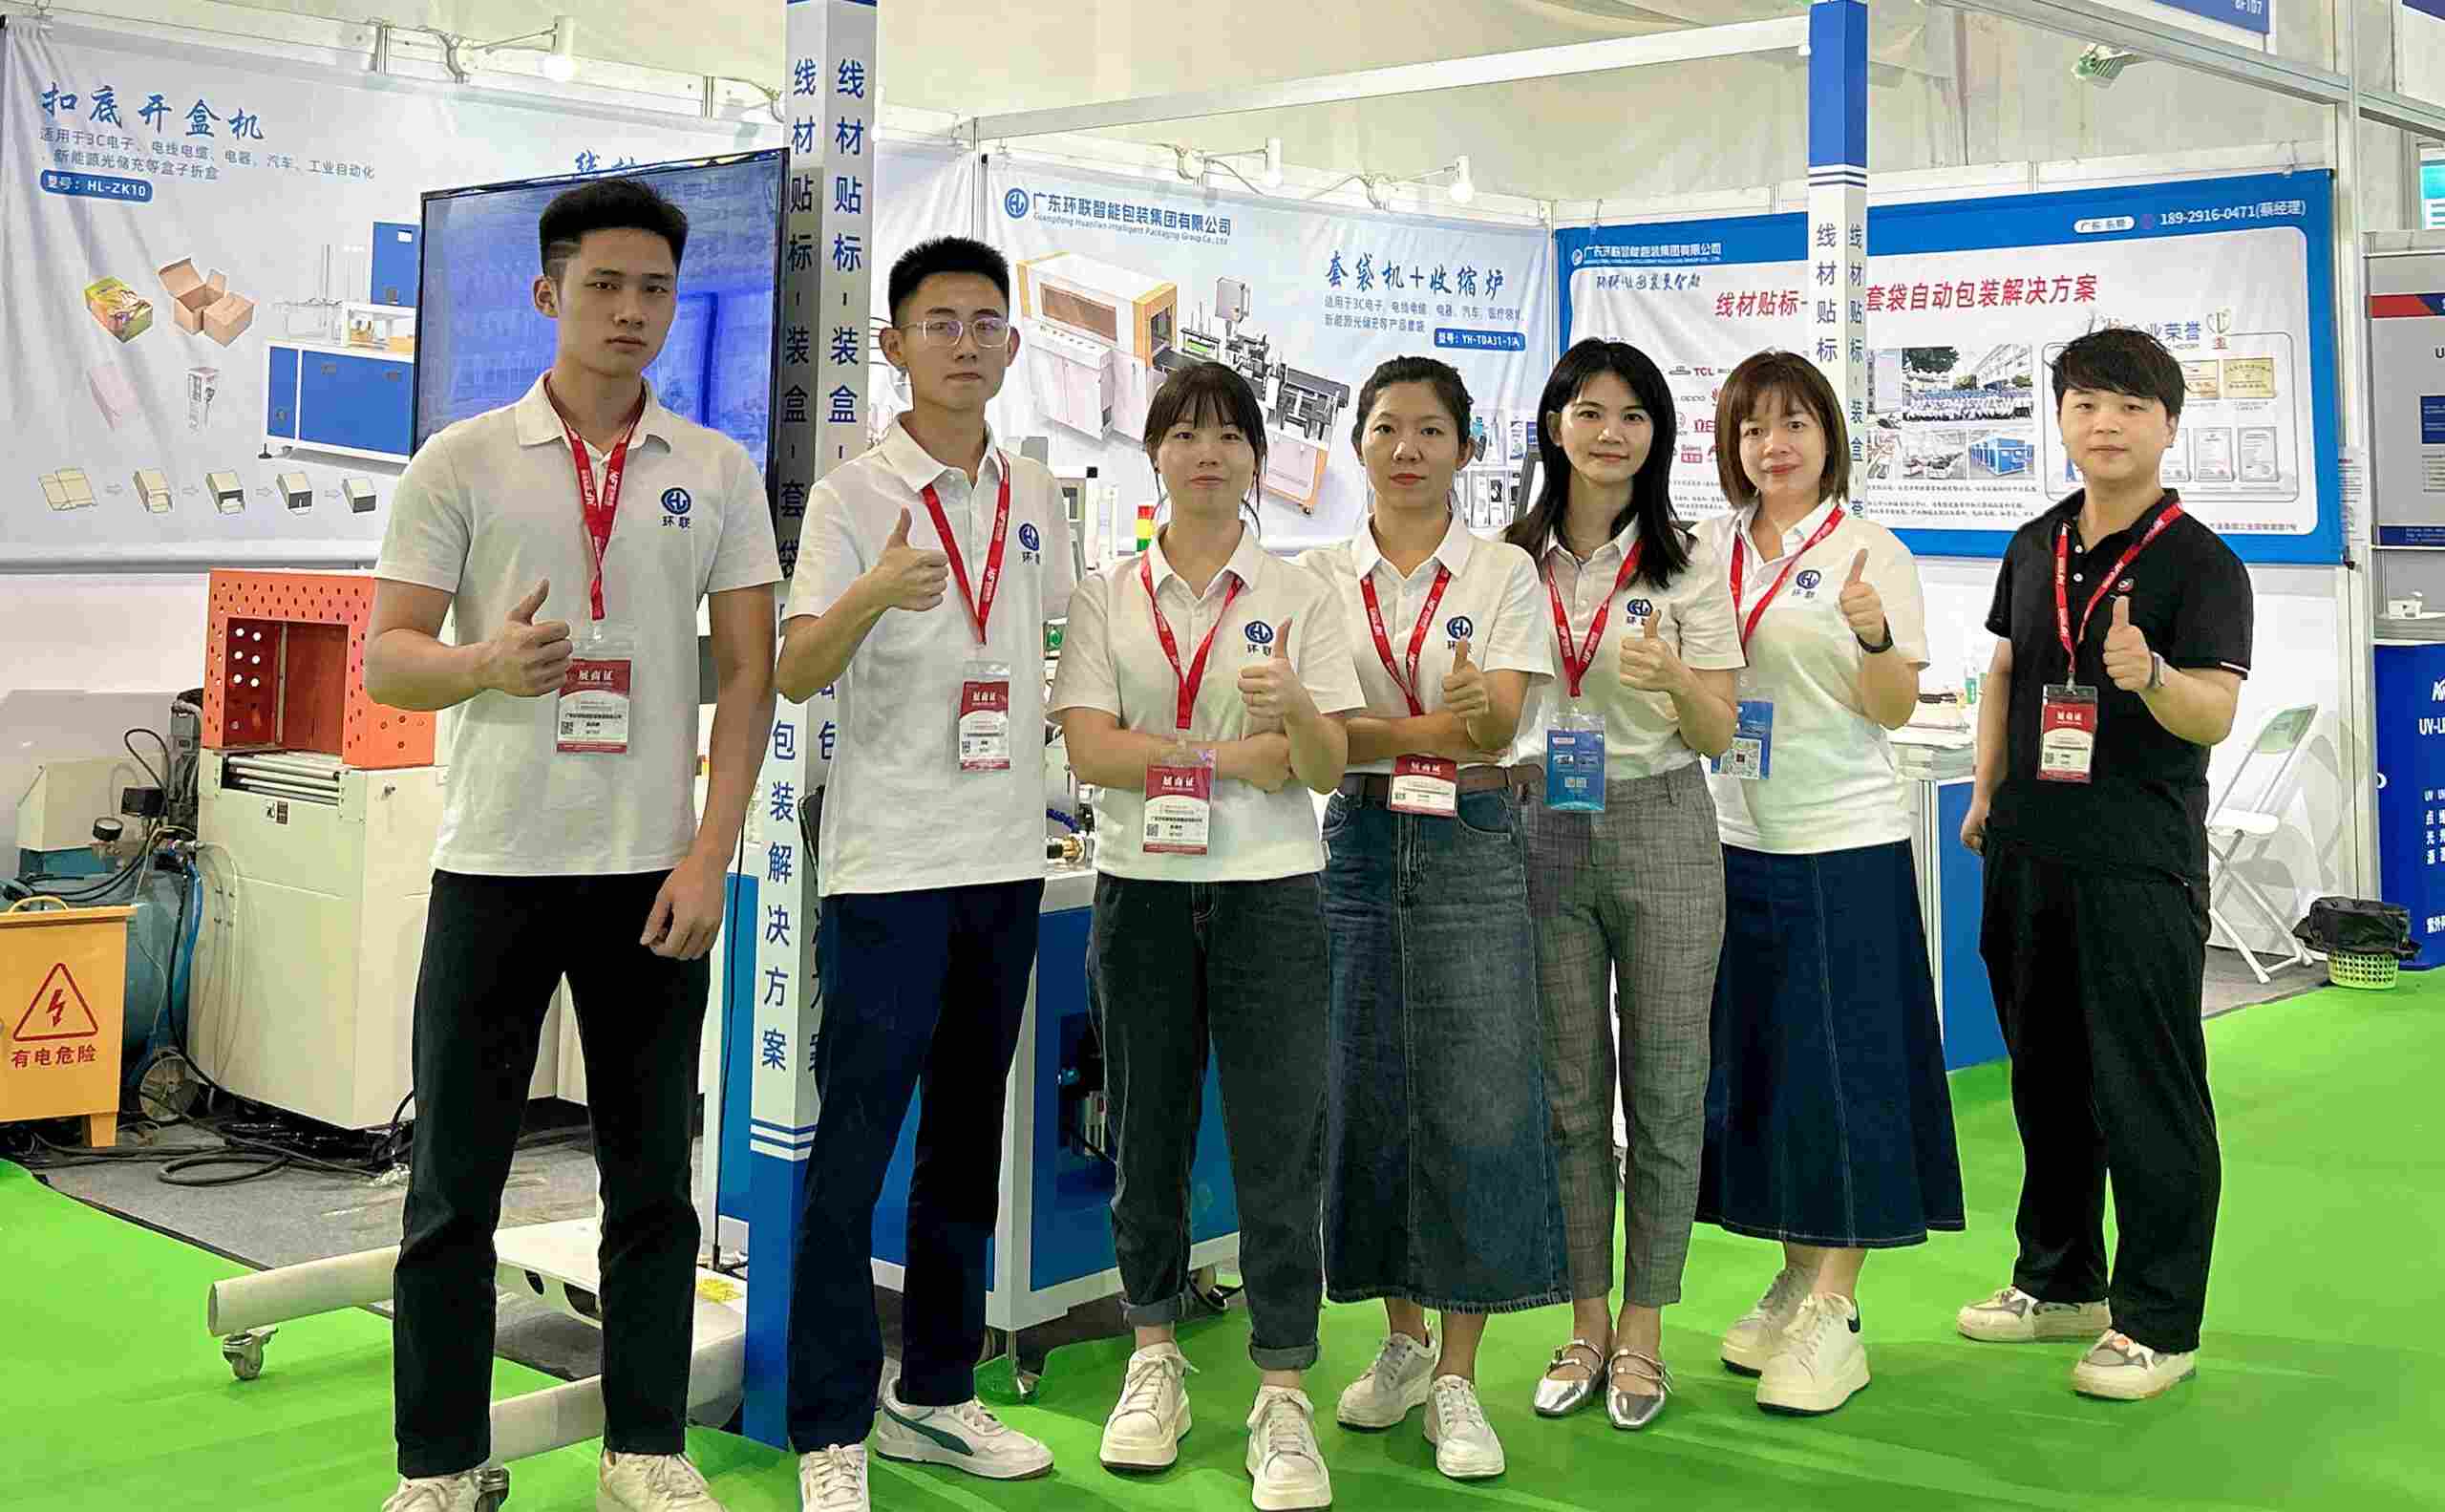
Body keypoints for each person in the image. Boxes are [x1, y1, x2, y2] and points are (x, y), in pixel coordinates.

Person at [367, 178, 779, 1512]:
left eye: (654, 289)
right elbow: (389, 659)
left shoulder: (714, 470)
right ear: (547, 294)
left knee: (653, 1179)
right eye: (603, 285)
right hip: (494, 865)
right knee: (454, 1185)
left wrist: (712, 851)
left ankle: (644, 1447)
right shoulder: (461, 460)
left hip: (652, 873)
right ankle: (438, 1460)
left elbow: (753, 676)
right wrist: (487, 660)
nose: (630, 312)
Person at [773, 237, 1075, 1512]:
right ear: (894, 345)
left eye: (985, 321)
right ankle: (831, 1421)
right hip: (889, 869)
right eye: (939, 321)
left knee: (966, 1138)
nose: (965, 340)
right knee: (853, 1149)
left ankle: (936, 1392)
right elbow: (794, 669)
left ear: (1011, 346)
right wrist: (875, 596)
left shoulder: (1039, 495)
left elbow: (1063, 650)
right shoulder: (855, 497)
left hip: (1006, 859)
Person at [1051, 361, 1364, 1511]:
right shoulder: (1108, 594)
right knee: (1146, 1130)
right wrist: (1236, 755)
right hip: (1138, 885)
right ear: (1154, 454)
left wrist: (1298, 721)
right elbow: (1090, 751)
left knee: (1281, 1143)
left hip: (1273, 888)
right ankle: (1153, 1356)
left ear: (1256, 457)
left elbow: (1324, 768)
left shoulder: (1300, 591)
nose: (1207, 454)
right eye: (1183, 435)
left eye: (1228, 435)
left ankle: (1284, 1390)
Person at [1957, 327, 2249, 1401]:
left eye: (2128, 405)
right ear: (2063, 420)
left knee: (2149, 1090)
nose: (2105, 424)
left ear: (2168, 423)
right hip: (2028, 849)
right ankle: (2060, 1277)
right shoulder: (2034, 543)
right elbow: (2002, 670)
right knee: (2047, 1079)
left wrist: (2152, 675)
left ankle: (2158, 1318)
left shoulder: (2201, 562)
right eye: (2084, 403)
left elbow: (2213, 711)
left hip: (2137, 860)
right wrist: (1986, 792)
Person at [1299, 355, 1565, 1483]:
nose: (1405, 447)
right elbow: (1311, 736)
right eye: (1384, 426)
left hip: (1470, 839)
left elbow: (1492, 726)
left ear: (1464, 446)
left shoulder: (1502, 569)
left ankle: (1460, 1370)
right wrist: (1415, 724)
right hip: (1357, 845)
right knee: (1368, 1090)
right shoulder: (1315, 574)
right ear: (1356, 443)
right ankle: (1400, 1343)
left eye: (1428, 429)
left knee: (1477, 1093)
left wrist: (1372, 724)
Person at [1694, 350, 1963, 1418]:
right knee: (1767, 1066)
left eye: (1796, 422)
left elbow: (1894, 706)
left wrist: (1873, 636)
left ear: (1828, 436)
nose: (1776, 443)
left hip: (1842, 841)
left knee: (1845, 1069)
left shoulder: (1870, 553)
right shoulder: (1706, 549)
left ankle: (1837, 1308)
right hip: (1728, 835)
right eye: (1755, 426)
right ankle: (1796, 1270)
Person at [1501, 340, 1742, 1433]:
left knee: (1664, 1083)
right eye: (1589, 410)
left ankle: (1646, 1326)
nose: (1611, 432)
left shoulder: (1689, 563)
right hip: (1540, 823)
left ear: (1658, 434)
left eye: (1634, 414)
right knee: (1561, 1087)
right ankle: (1583, 1318)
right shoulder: (1509, 560)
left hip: (1662, 817)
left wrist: (1676, 675)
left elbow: (1722, 729)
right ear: (1554, 423)